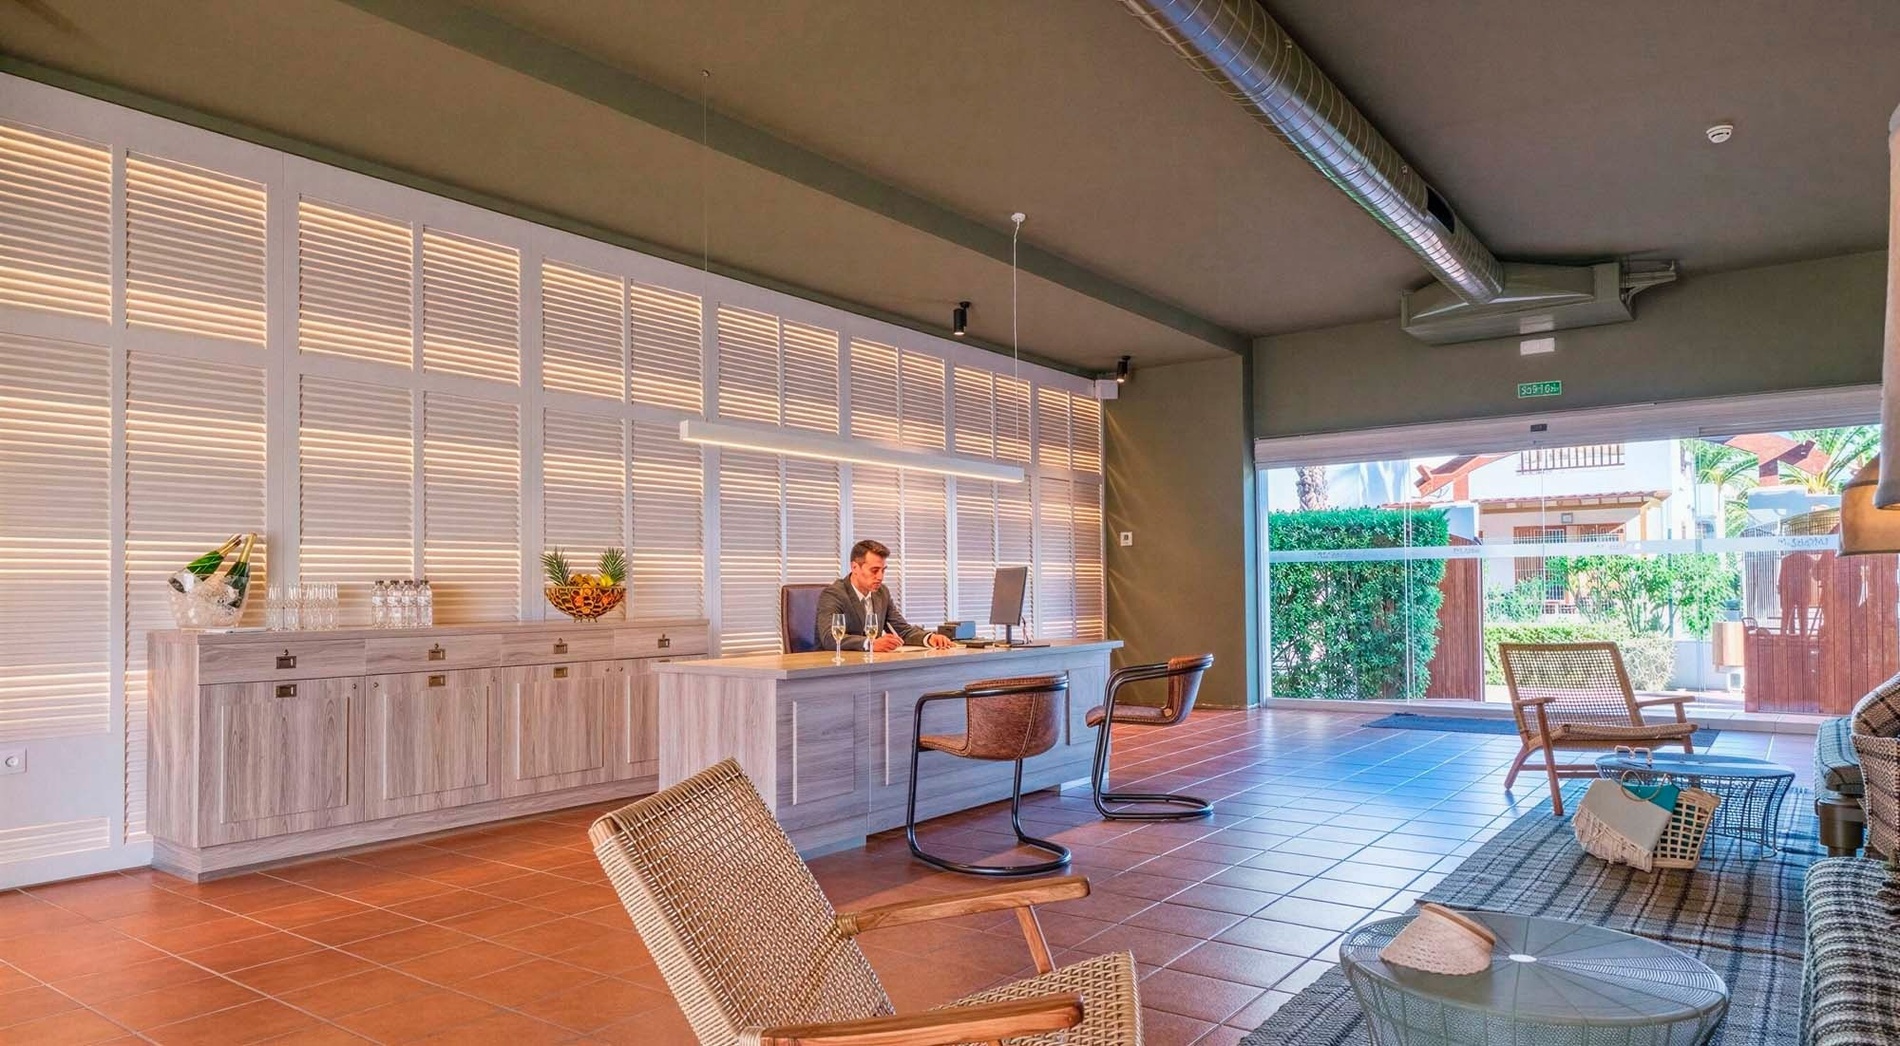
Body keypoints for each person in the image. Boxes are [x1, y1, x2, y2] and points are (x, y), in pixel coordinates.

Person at [815, 539, 954, 652]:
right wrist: (870, 644)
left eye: (883, 570)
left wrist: (929, 638)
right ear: (855, 567)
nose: (880, 577)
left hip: (871, 665)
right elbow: (829, 638)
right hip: (836, 667)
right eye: (874, 571)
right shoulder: (834, 594)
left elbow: (902, 630)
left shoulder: (882, 593)